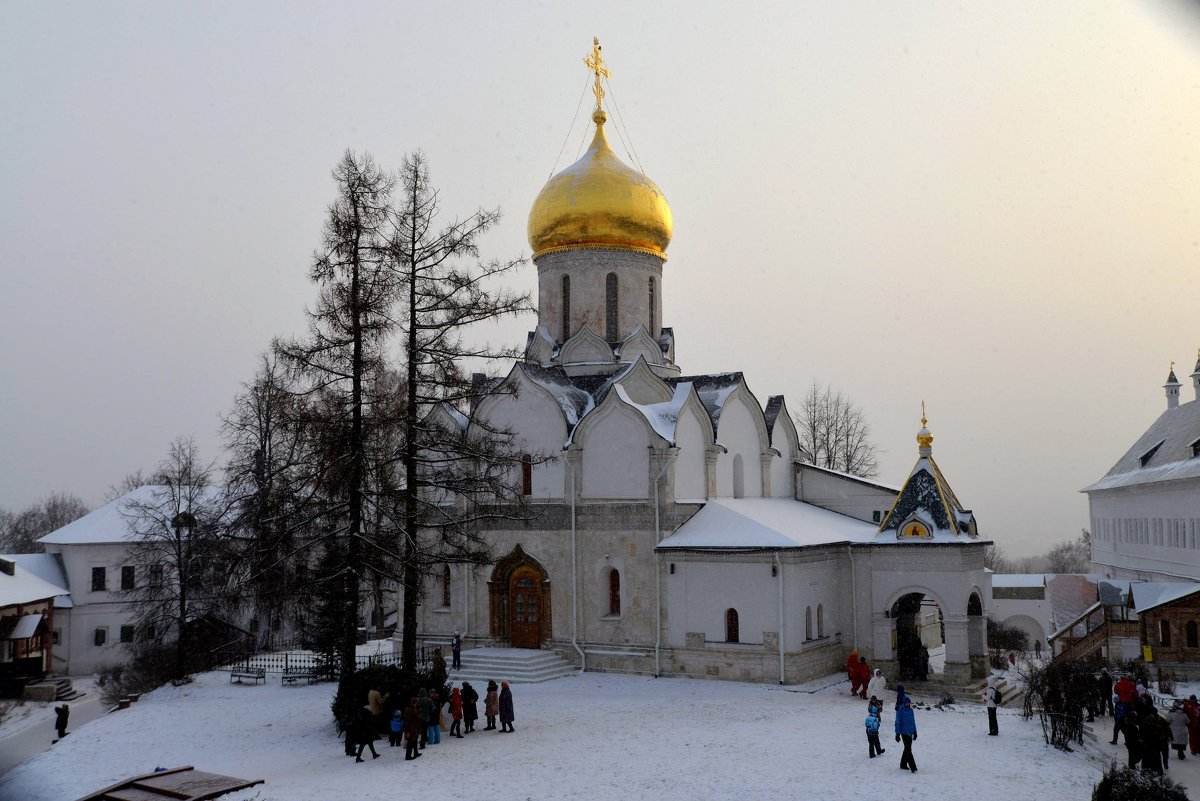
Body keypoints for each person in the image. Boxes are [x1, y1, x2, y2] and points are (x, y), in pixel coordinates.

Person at [895, 698, 918, 773]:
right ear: (904, 703)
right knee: (908, 750)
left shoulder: (911, 710)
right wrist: (897, 734)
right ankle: (913, 767)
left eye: (909, 703)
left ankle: (903, 764)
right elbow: (897, 723)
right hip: (904, 732)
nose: (909, 704)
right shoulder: (900, 711)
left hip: (910, 732)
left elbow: (913, 722)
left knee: (907, 749)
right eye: (907, 703)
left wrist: (915, 732)